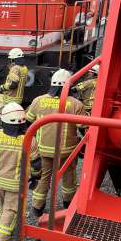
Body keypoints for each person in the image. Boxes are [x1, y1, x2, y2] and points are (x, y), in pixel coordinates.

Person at [0, 103, 41, 241]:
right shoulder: (29, 139)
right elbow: (36, 163)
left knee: (2, 206)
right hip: (16, 184)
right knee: (11, 210)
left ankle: (5, 225)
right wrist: (35, 177)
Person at [26, 69, 86, 216]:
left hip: (42, 150)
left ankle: (37, 207)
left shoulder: (38, 101)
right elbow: (84, 128)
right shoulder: (75, 104)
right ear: (69, 85)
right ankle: (68, 205)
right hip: (66, 152)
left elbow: (28, 123)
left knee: (43, 178)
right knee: (68, 178)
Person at [0, 47, 29, 127]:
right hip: (18, 99)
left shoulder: (15, 69)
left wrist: (3, 87)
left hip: (9, 99)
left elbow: (13, 85)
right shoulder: (24, 68)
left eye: (10, 59)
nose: (10, 61)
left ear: (13, 59)